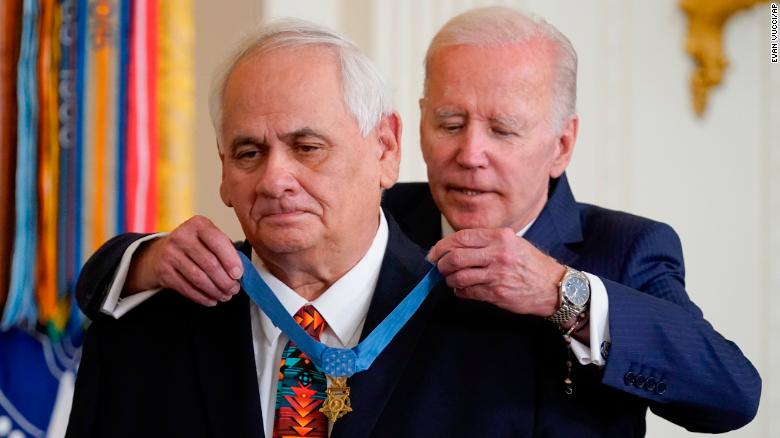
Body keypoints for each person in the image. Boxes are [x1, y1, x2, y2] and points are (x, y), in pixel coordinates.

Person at [72, 8, 761, 437]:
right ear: (400, 141)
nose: (469, 153)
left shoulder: (621, 249)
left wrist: (562, 294)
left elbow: (730, 393)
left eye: (502, 129)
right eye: (450, 122)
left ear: (562, 143)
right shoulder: (381, 213)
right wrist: (141, 259)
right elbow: (278, 227)